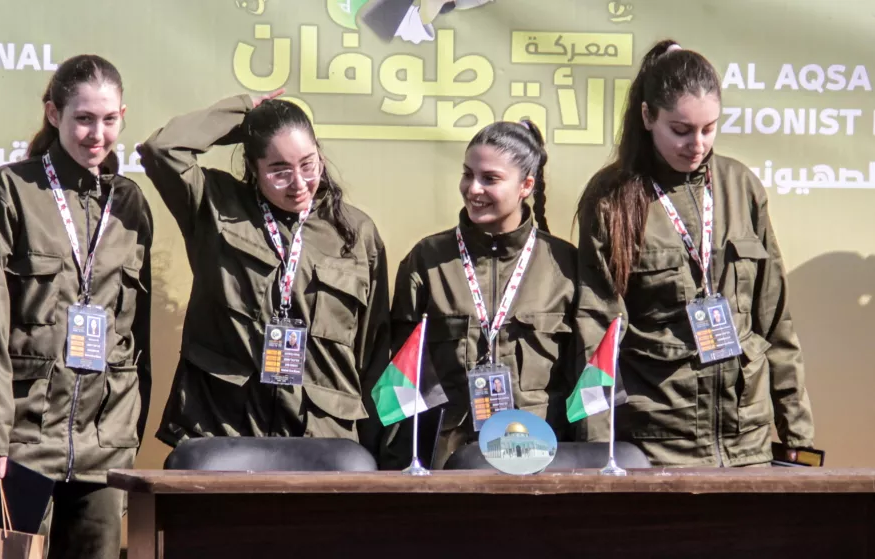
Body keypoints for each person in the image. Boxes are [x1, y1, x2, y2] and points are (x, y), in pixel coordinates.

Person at [574, 40, 814, 467]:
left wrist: (797, 435)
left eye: (709, 128)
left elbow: (775, 320)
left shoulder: (741, 186)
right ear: (648, 116)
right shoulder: (611, 197)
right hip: (657, 443)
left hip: (747, 441)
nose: (697, 144)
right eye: (681, 130)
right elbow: (596, 332)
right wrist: (599, 451)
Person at [0, 54, 153, 558]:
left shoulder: (130, 203)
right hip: (23, 440)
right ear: (53, 114)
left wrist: (127, 436)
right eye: (83, 118)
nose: (96, 134)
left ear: (123, 115)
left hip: (104, 442)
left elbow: (137, 333)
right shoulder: (9, 191)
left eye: (109, 119)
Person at [137, 90, 390, 449]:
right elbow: (163, 150)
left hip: (321, 439)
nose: (299, 184)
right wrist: (244, 114)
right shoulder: (213, 204)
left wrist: (377, 453)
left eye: (308, 164)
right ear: (253, 168)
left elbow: (375, 351)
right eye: (279, 171)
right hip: (223, 428)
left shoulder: (356, 232)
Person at [386, 120, 578, 469]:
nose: (473, 189)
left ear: (525, 185)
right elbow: (402, 382)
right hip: (448, 466)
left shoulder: (566, 266)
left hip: (541, 462)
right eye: (467, 174)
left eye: (490, 178)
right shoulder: (427, 260)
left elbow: (585, 381)